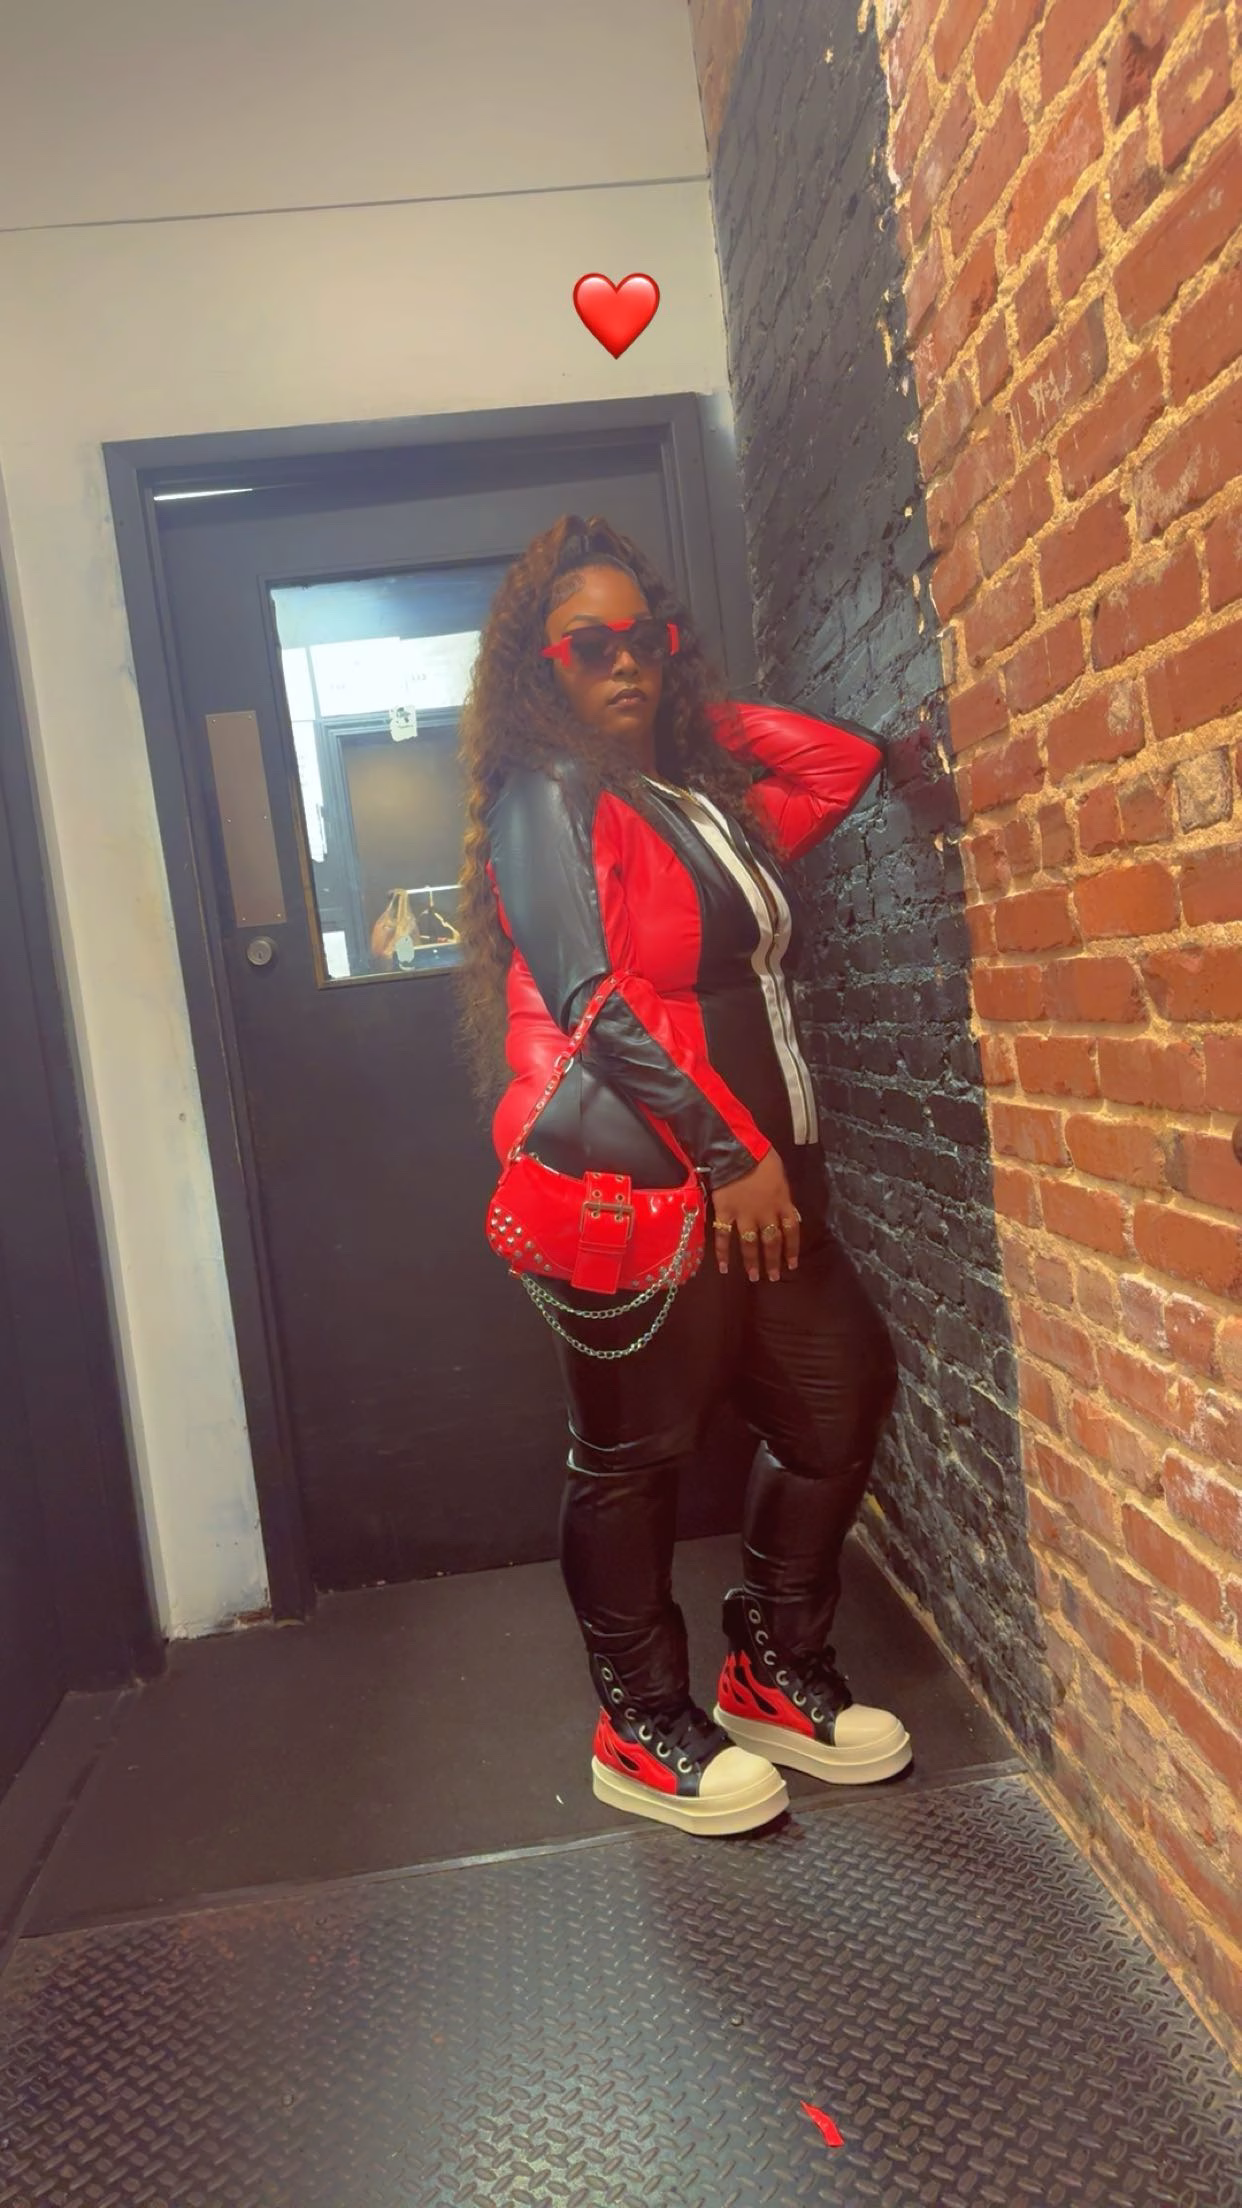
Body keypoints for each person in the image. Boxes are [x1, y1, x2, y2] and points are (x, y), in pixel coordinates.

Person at [457, 514, 911, 1839]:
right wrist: (728, 1156)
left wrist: (685, 711)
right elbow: (588, 996)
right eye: (587, 646)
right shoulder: (546, 792)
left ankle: (772, 1668)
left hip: (763, 1186)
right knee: (632, 1460)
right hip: (656, 1187)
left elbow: (840, 763)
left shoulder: (694, 806)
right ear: (537, 667)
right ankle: (641, 1719)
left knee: (837, 1406)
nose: (623, 664)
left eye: (643, 641)